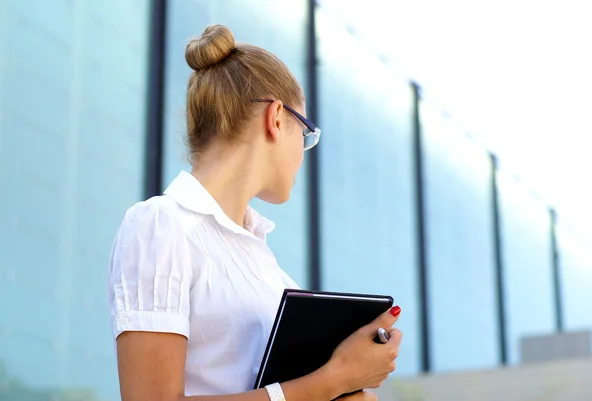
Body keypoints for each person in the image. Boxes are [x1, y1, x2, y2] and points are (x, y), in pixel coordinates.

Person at [107, 24, 403, 401]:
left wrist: (348, 390)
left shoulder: (270, 271)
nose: (303, 154)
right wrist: (331, 381)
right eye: (306, 133)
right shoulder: (160, 225)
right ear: (277, 118)